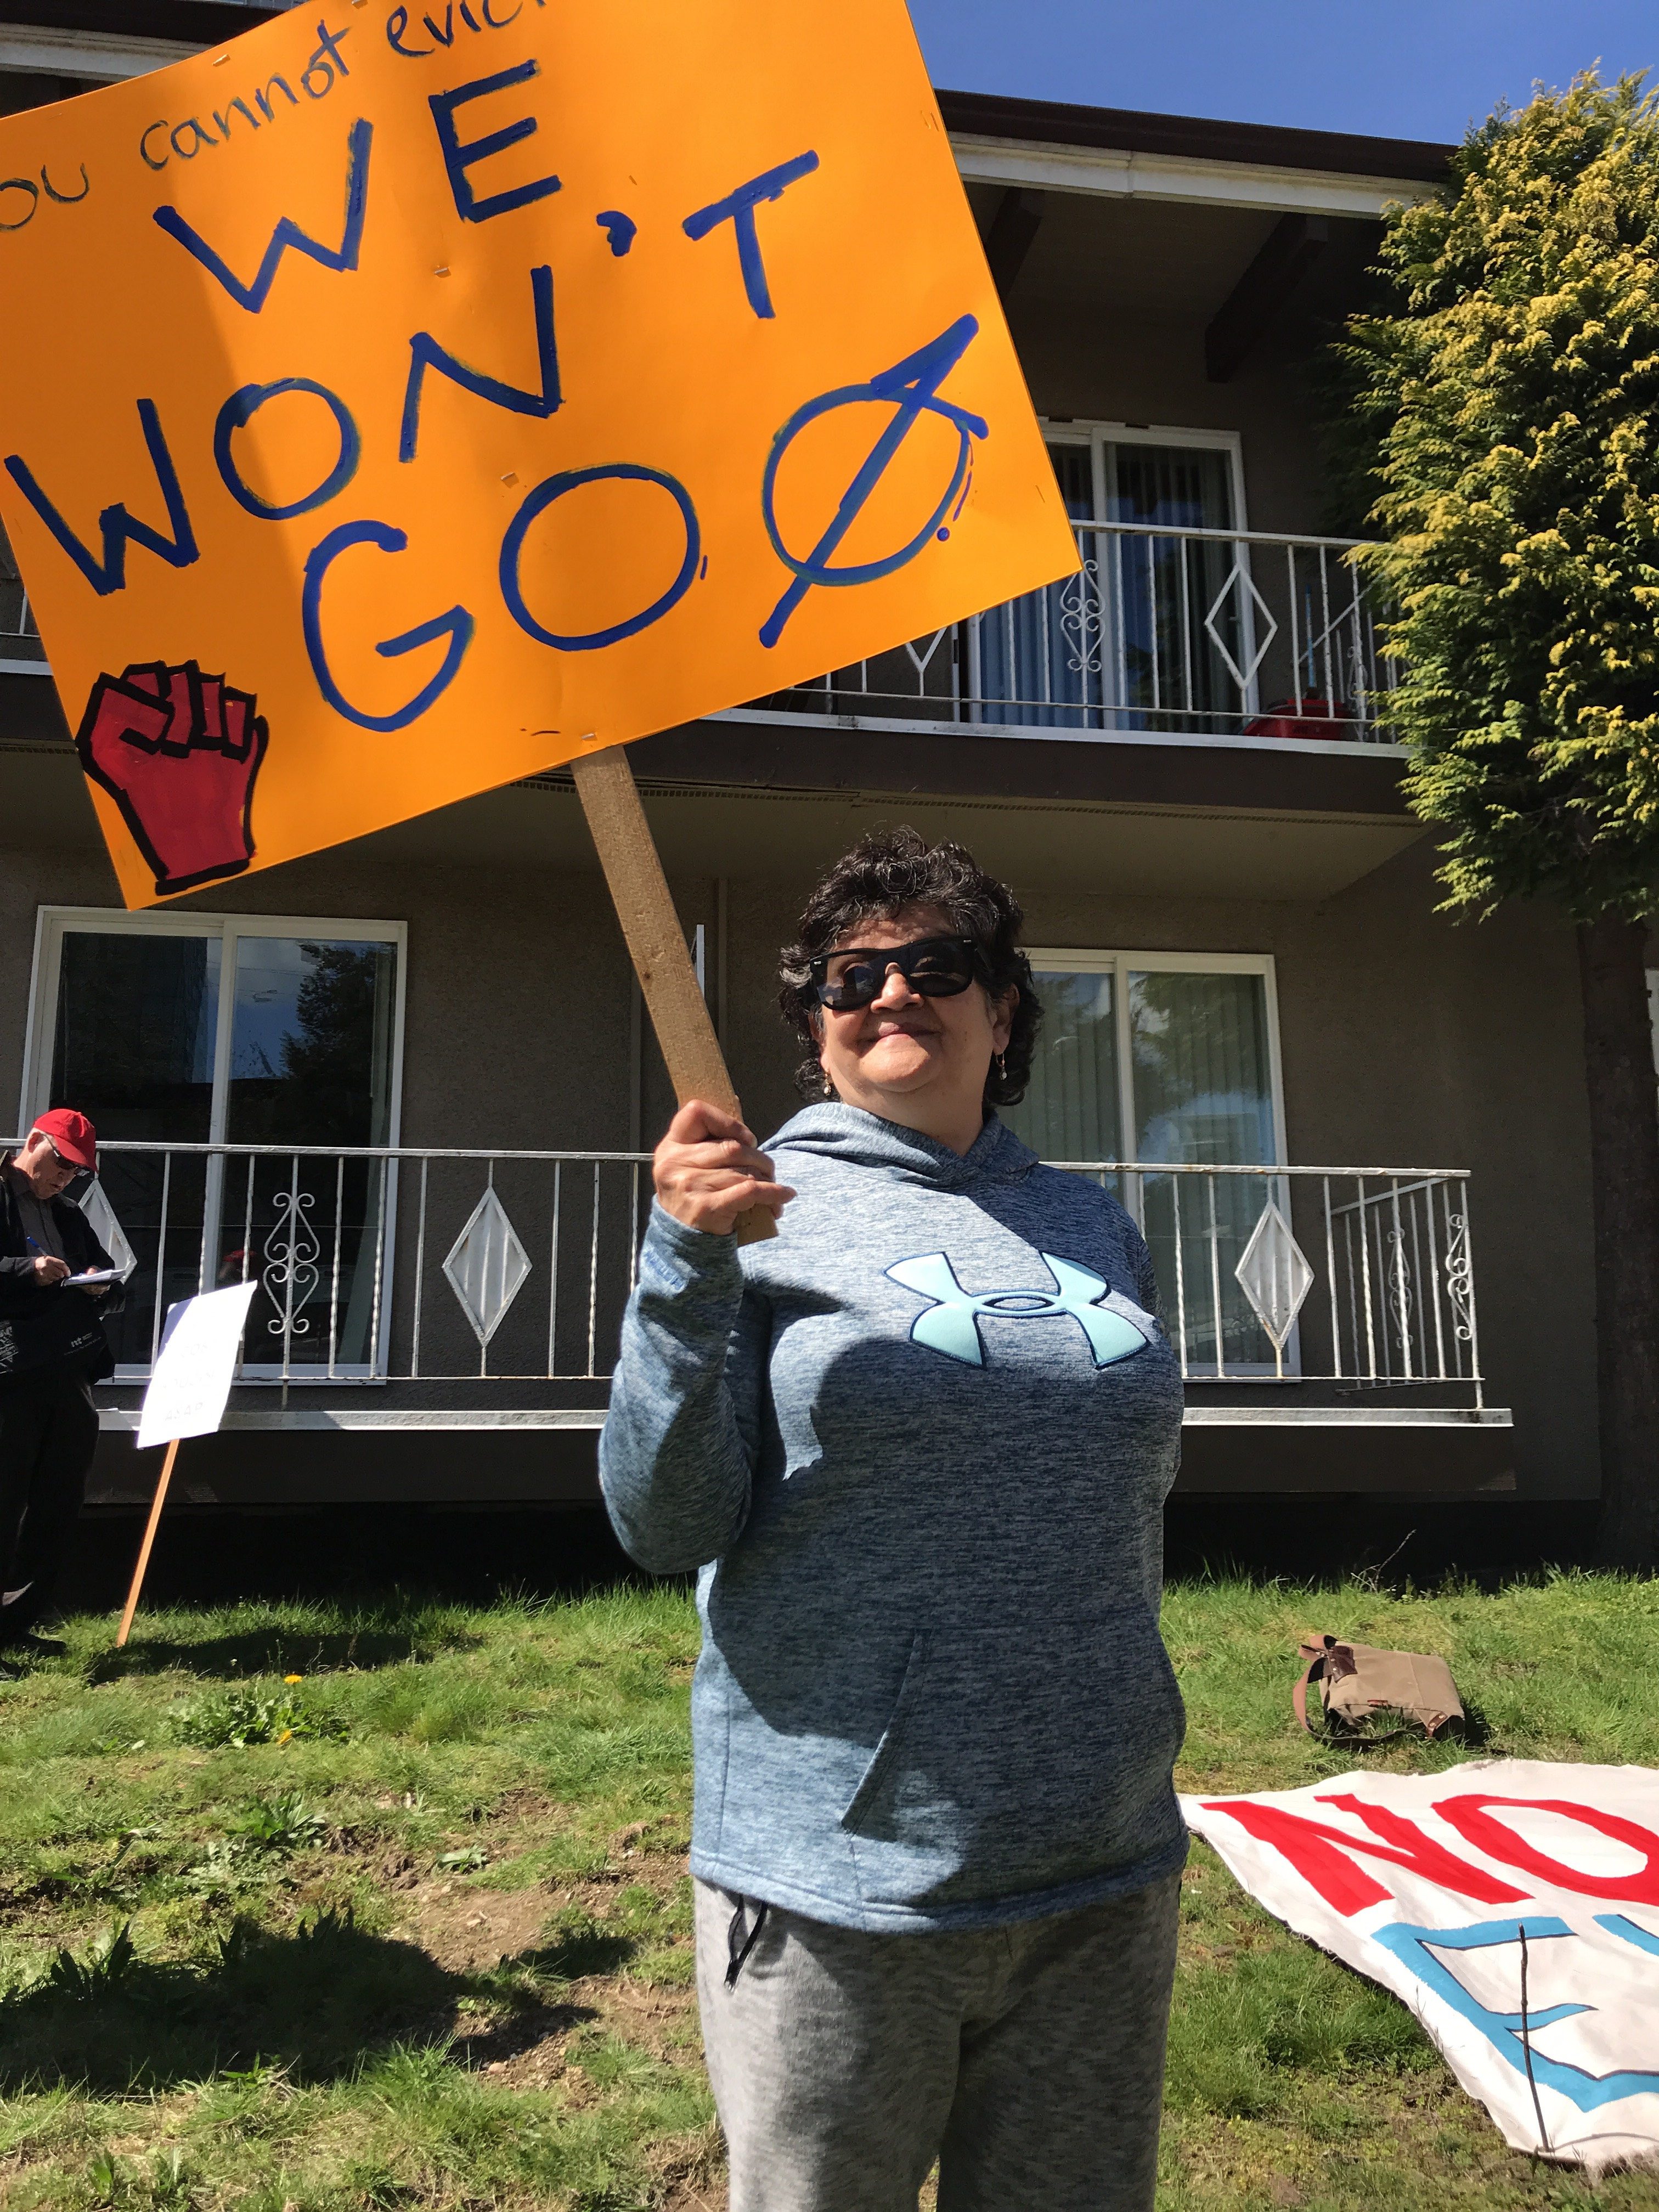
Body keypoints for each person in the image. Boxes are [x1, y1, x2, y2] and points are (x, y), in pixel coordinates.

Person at [601, 828, 1188, 2212]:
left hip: (1103, 1860)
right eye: (851, 975)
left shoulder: (1092, 1224)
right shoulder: (753, 1213)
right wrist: (683, 1264)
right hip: (842, 1885)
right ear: (817, 1026)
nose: (893, 992)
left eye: (938, 963)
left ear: (1005, 1009)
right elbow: (663, 1522)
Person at [0, 1109, 122, 1662]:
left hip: (66, 1369)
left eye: (76, 1171)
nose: (64, 1178)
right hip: (9, 1370)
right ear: (33, 1141)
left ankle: (16, 1624)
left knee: (57, 1499)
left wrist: (102, 1287)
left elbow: (110, 1274)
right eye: (61, 1164)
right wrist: (25, 1270)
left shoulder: (70, 1214)